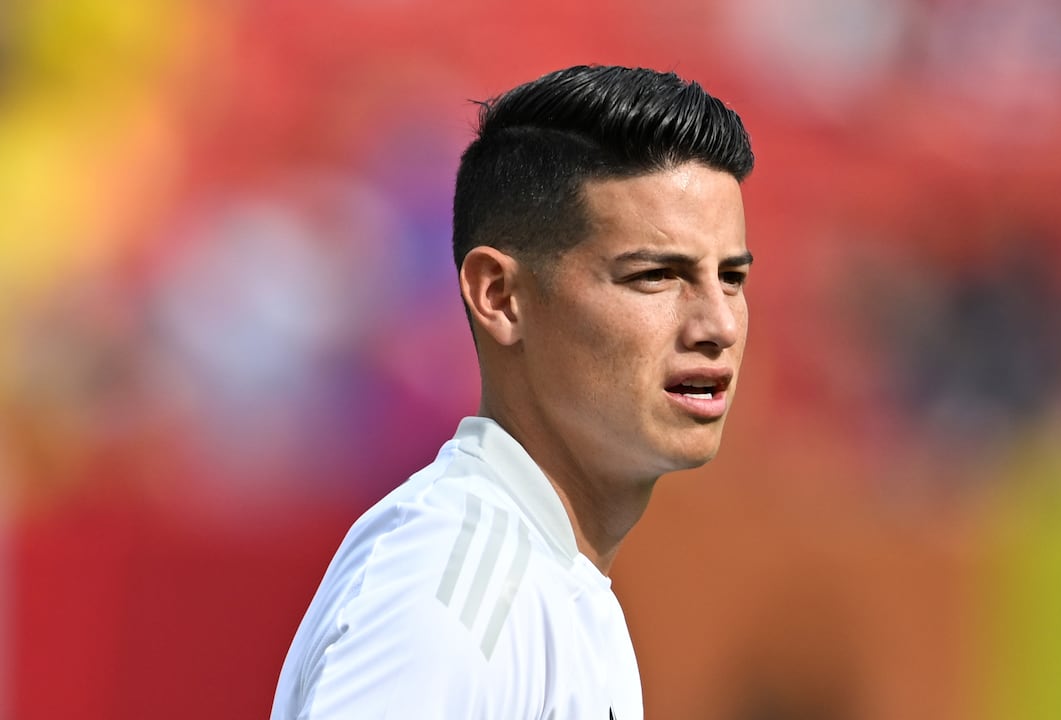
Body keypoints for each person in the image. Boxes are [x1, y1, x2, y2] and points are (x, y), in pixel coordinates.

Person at [270, 64, 755, 719]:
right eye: (655, 275)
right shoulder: (453, 589)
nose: (718, 323)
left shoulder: (555, 585)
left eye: (731, 277)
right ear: (499, 296)